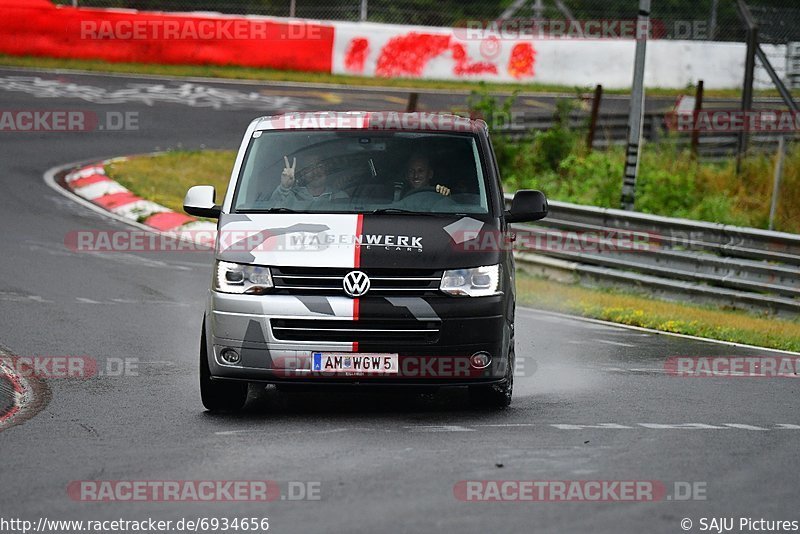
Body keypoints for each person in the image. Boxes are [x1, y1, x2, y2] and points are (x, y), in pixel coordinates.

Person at [267, 155, 348, 206]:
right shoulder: (291, 195)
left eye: (319, 167)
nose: (315, 172)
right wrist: (284, 187)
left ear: (326, 170)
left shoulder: (339, 196)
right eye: (309, 168)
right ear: (302, 173)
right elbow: (271, 207)